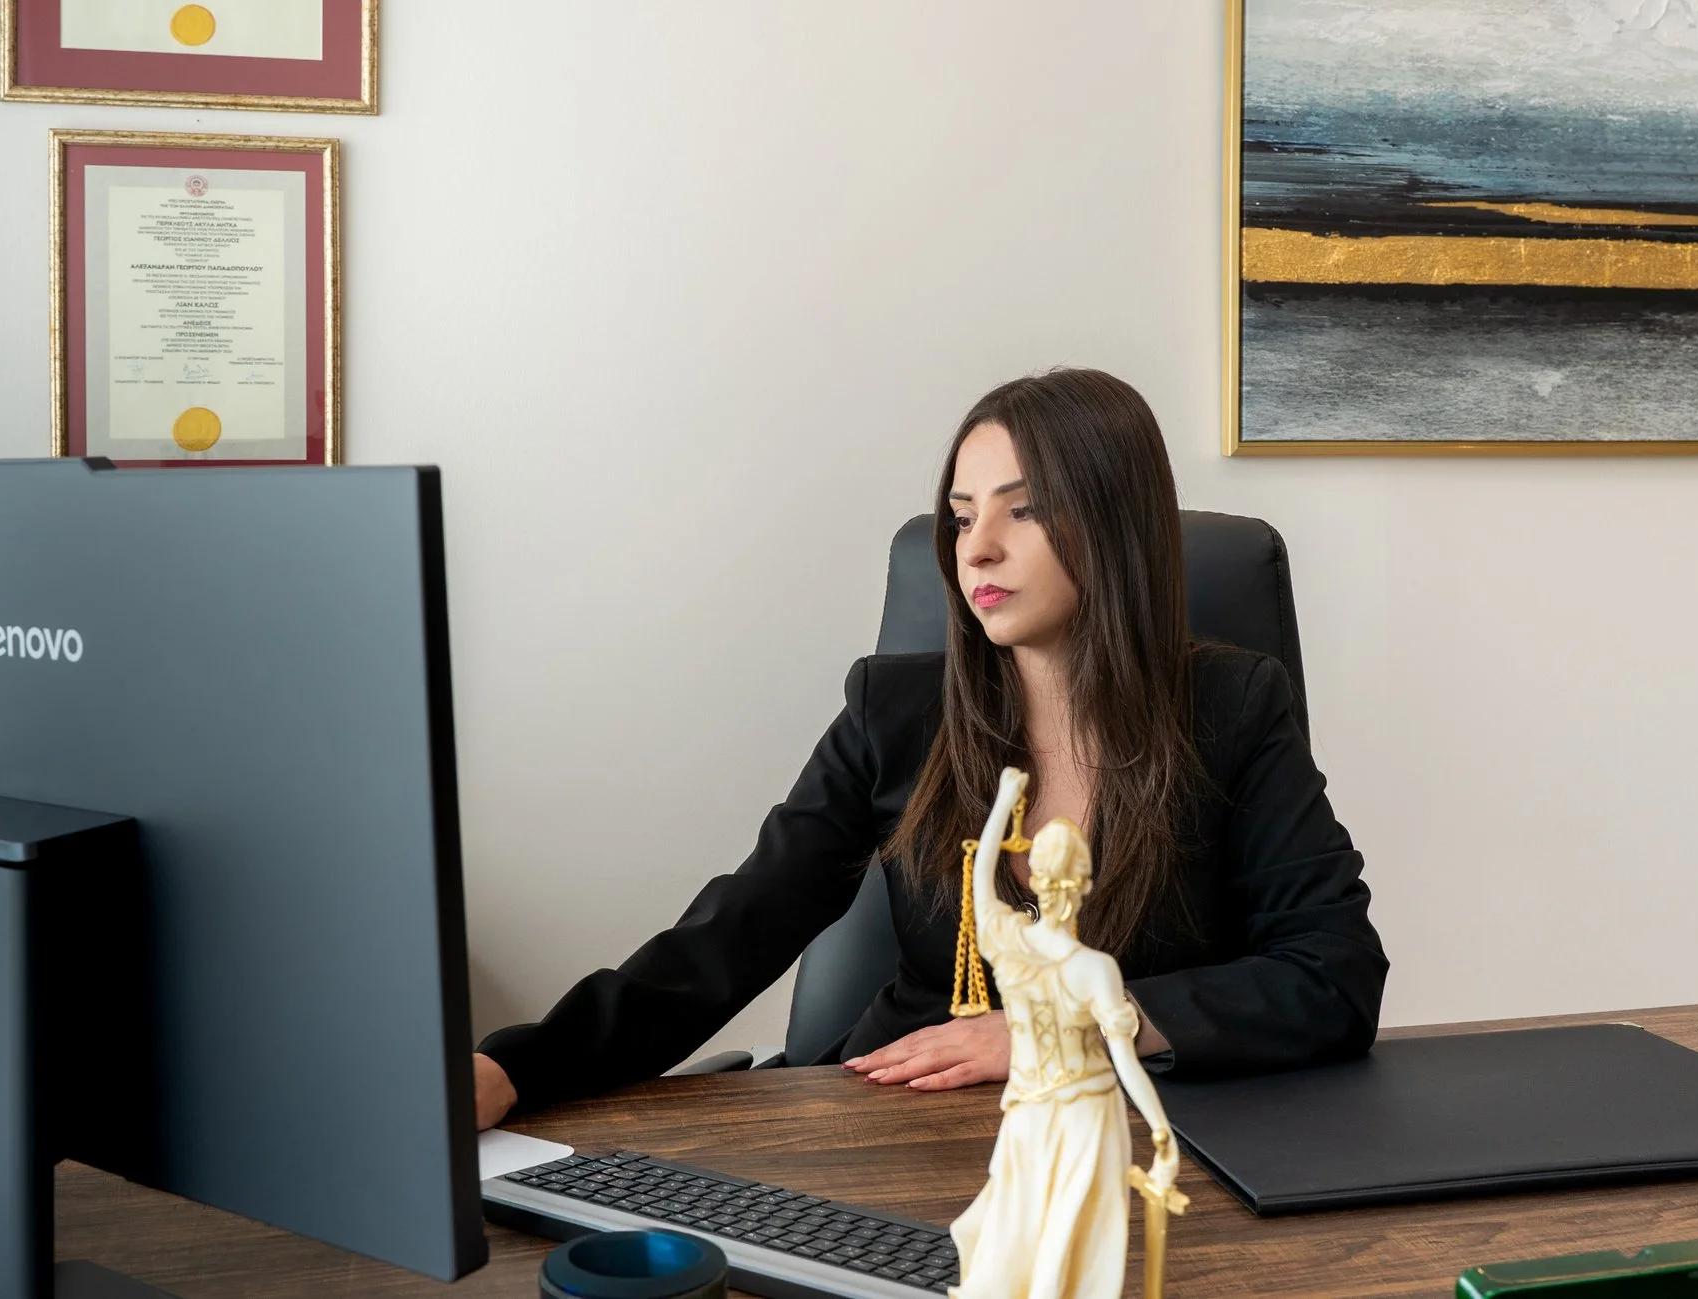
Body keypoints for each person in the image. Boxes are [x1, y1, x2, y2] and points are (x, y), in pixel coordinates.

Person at [474, 367, 1387, 1129]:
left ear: (1115, 523)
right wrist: (516, 1068)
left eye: (1022, 510)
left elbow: (1333, 971)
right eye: (959, 514)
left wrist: (1065, 1024)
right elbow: (729, 935)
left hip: (1147, 1138)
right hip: (903, 1126)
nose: (976, 548)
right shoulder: (895, 710)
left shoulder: (1232, 705)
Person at [949, 764, 1183, 1299]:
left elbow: (983, 880)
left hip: (1027, 1109)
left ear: (1030, 876)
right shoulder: (1096, 969)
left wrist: (1004, 801)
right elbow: (1124, 1060)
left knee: (1022, 1222)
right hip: (1088, 1112)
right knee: (1078, 1239)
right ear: (1085, 885)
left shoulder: (1007, 946)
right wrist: (1159, 1132)